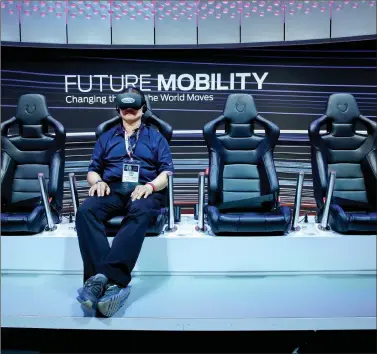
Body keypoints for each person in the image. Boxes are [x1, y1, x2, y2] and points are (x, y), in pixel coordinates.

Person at [75, 87, 174, 317]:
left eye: (134, 106)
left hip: (144, 190)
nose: (129, 110)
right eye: (125, 106)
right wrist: (97, 181)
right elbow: (92, 170)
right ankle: (103, 281)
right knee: (86, 211)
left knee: (140, 211)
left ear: (143, 108)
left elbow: (166, 173)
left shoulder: (155, 136)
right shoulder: (107, 136)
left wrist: (150, 186)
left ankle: (103, 280)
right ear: (118, 108)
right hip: (112, 187)